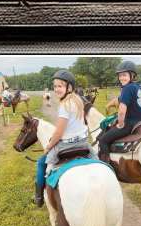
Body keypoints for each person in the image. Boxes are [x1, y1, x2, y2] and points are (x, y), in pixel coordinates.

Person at [32, 70, 98, 207]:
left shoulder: (64, 105)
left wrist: (48, 147)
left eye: (60, 86)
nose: (56, 89)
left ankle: (39, 197)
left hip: (66, 145)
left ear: (69, 87)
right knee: (97, 161)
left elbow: (58, 134)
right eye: (55, 86)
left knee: (41, 163)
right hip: (83, 143)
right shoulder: (78, 100)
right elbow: (82, 123)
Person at [98, 61, 141, 164]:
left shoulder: (127, 88)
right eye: (120, 75)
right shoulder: (139, 87)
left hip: (131, 123)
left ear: (132, 75)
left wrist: (120, 125)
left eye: (124, 75)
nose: (121, 78)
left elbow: (121, 111)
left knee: (103, 140)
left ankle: (106, 167)